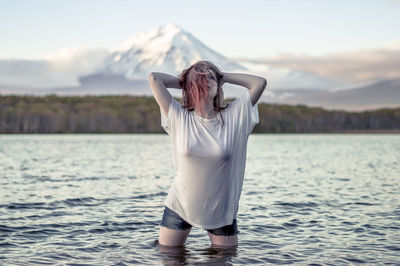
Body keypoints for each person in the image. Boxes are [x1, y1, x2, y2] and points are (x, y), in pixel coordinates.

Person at [148, 60, 267, 247]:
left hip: (222, 212)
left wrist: (222, 76)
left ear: (218, 86)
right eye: (200, 79)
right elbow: (154, 78)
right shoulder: (179, 117)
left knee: (222, 261)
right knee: (169, 258)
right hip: (180, 205)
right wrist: (187, 81)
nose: (206, 81)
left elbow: (259, 83)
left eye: (211, 78)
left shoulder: (235, 116)